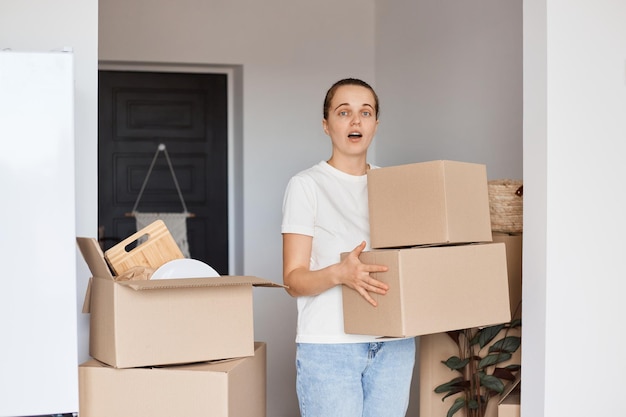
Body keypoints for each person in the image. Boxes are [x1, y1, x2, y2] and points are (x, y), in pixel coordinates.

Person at [281, 78, 415, 417]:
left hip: (394, 344)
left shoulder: (395, 187)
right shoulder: (306, 186)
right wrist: (340, 273)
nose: (355, 121)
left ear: (375, 125)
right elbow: (293, 281)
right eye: (344, 112)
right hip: (330, 348)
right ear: (326, 125)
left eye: (365, 112)